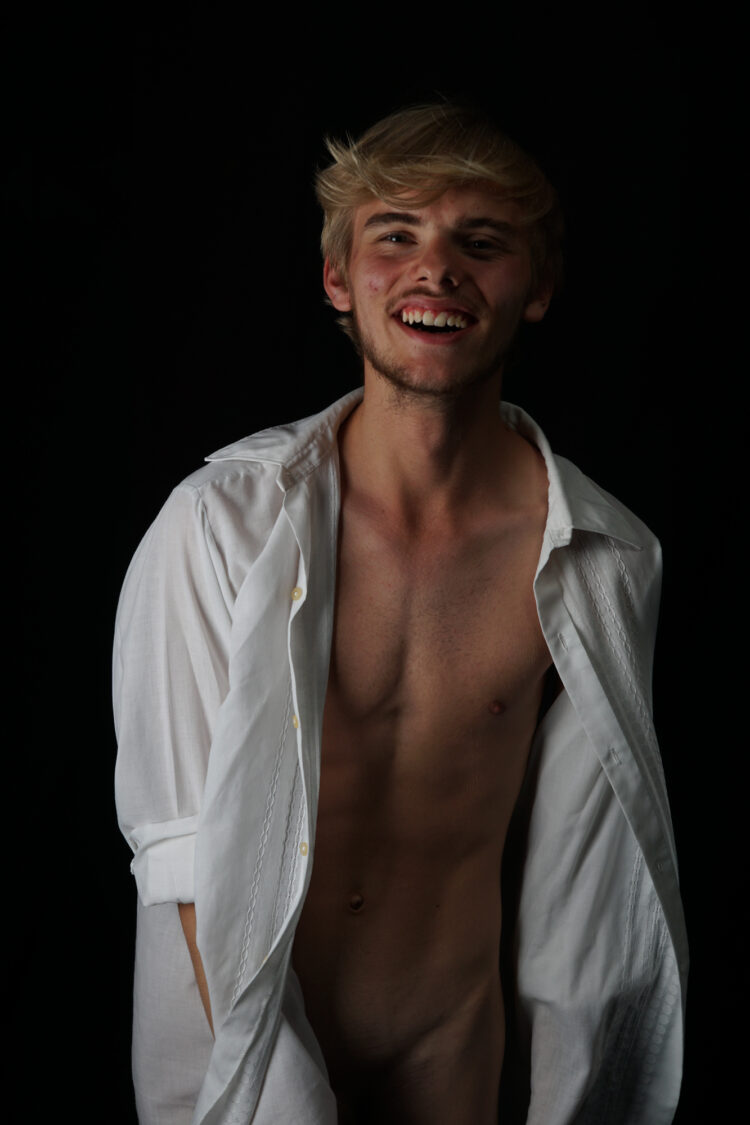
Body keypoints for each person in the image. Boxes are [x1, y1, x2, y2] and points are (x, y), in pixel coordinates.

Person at [114, 103, 688, 1125]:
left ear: (537, 287)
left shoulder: (602, 555)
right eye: (395, 236)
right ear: (339, 278)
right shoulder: (218, 528)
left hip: (451, 1048)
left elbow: (591, 862)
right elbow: (187, 862)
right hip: (245, 1053)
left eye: (482, 242)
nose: (437, 271)